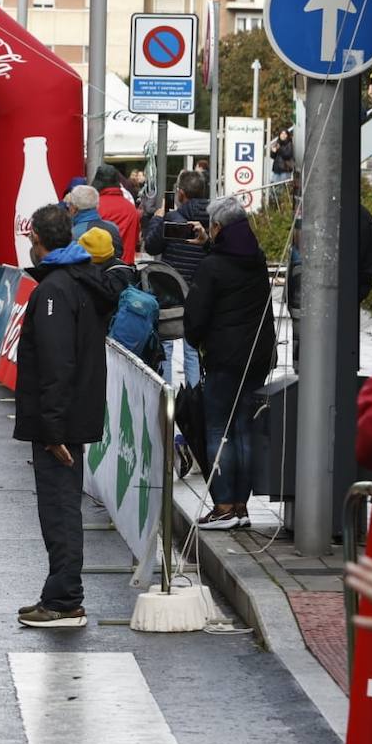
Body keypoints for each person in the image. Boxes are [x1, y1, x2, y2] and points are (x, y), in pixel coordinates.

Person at [13, 204, 110, 628]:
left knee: (60, 510)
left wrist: (52, 430)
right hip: (70, 415)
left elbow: (56, 364)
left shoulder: (54, 289)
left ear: (38, 239)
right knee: (61, 507)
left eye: (31, 238)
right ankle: (60, 593)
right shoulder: (76, 279)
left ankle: (64, 600)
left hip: (60, 421)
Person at [183, 198, 276, 530]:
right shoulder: (257, 258)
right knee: (245, 429)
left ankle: (222, 506)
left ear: (218, 227)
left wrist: (195, 340)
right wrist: (210, 246)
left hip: (223, 359)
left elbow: (194, 319)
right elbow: (230, 262)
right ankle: (240, 506)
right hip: (257, 357)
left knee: (217, 429)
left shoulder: (211, 267)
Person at [142, 170, 209, 387]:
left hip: (172, 292)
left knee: (168, 347)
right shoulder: (213, 218)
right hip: (200, 292)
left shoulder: (172, 219)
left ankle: (168, 401)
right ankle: (193, 399)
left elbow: (151, 246)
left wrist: (158, 217)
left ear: (180, 194)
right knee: (192, 349)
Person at [92, 163, 140, 264]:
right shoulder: (131, 208)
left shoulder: (95, 207)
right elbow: (135, 240)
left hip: (101, 269)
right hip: (126, 269)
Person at [64, 185, 123, 258]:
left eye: (69, 204)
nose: (68, 207)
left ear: (74, 208)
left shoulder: (74, 234)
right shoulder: (113, 227)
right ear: (97, 205)